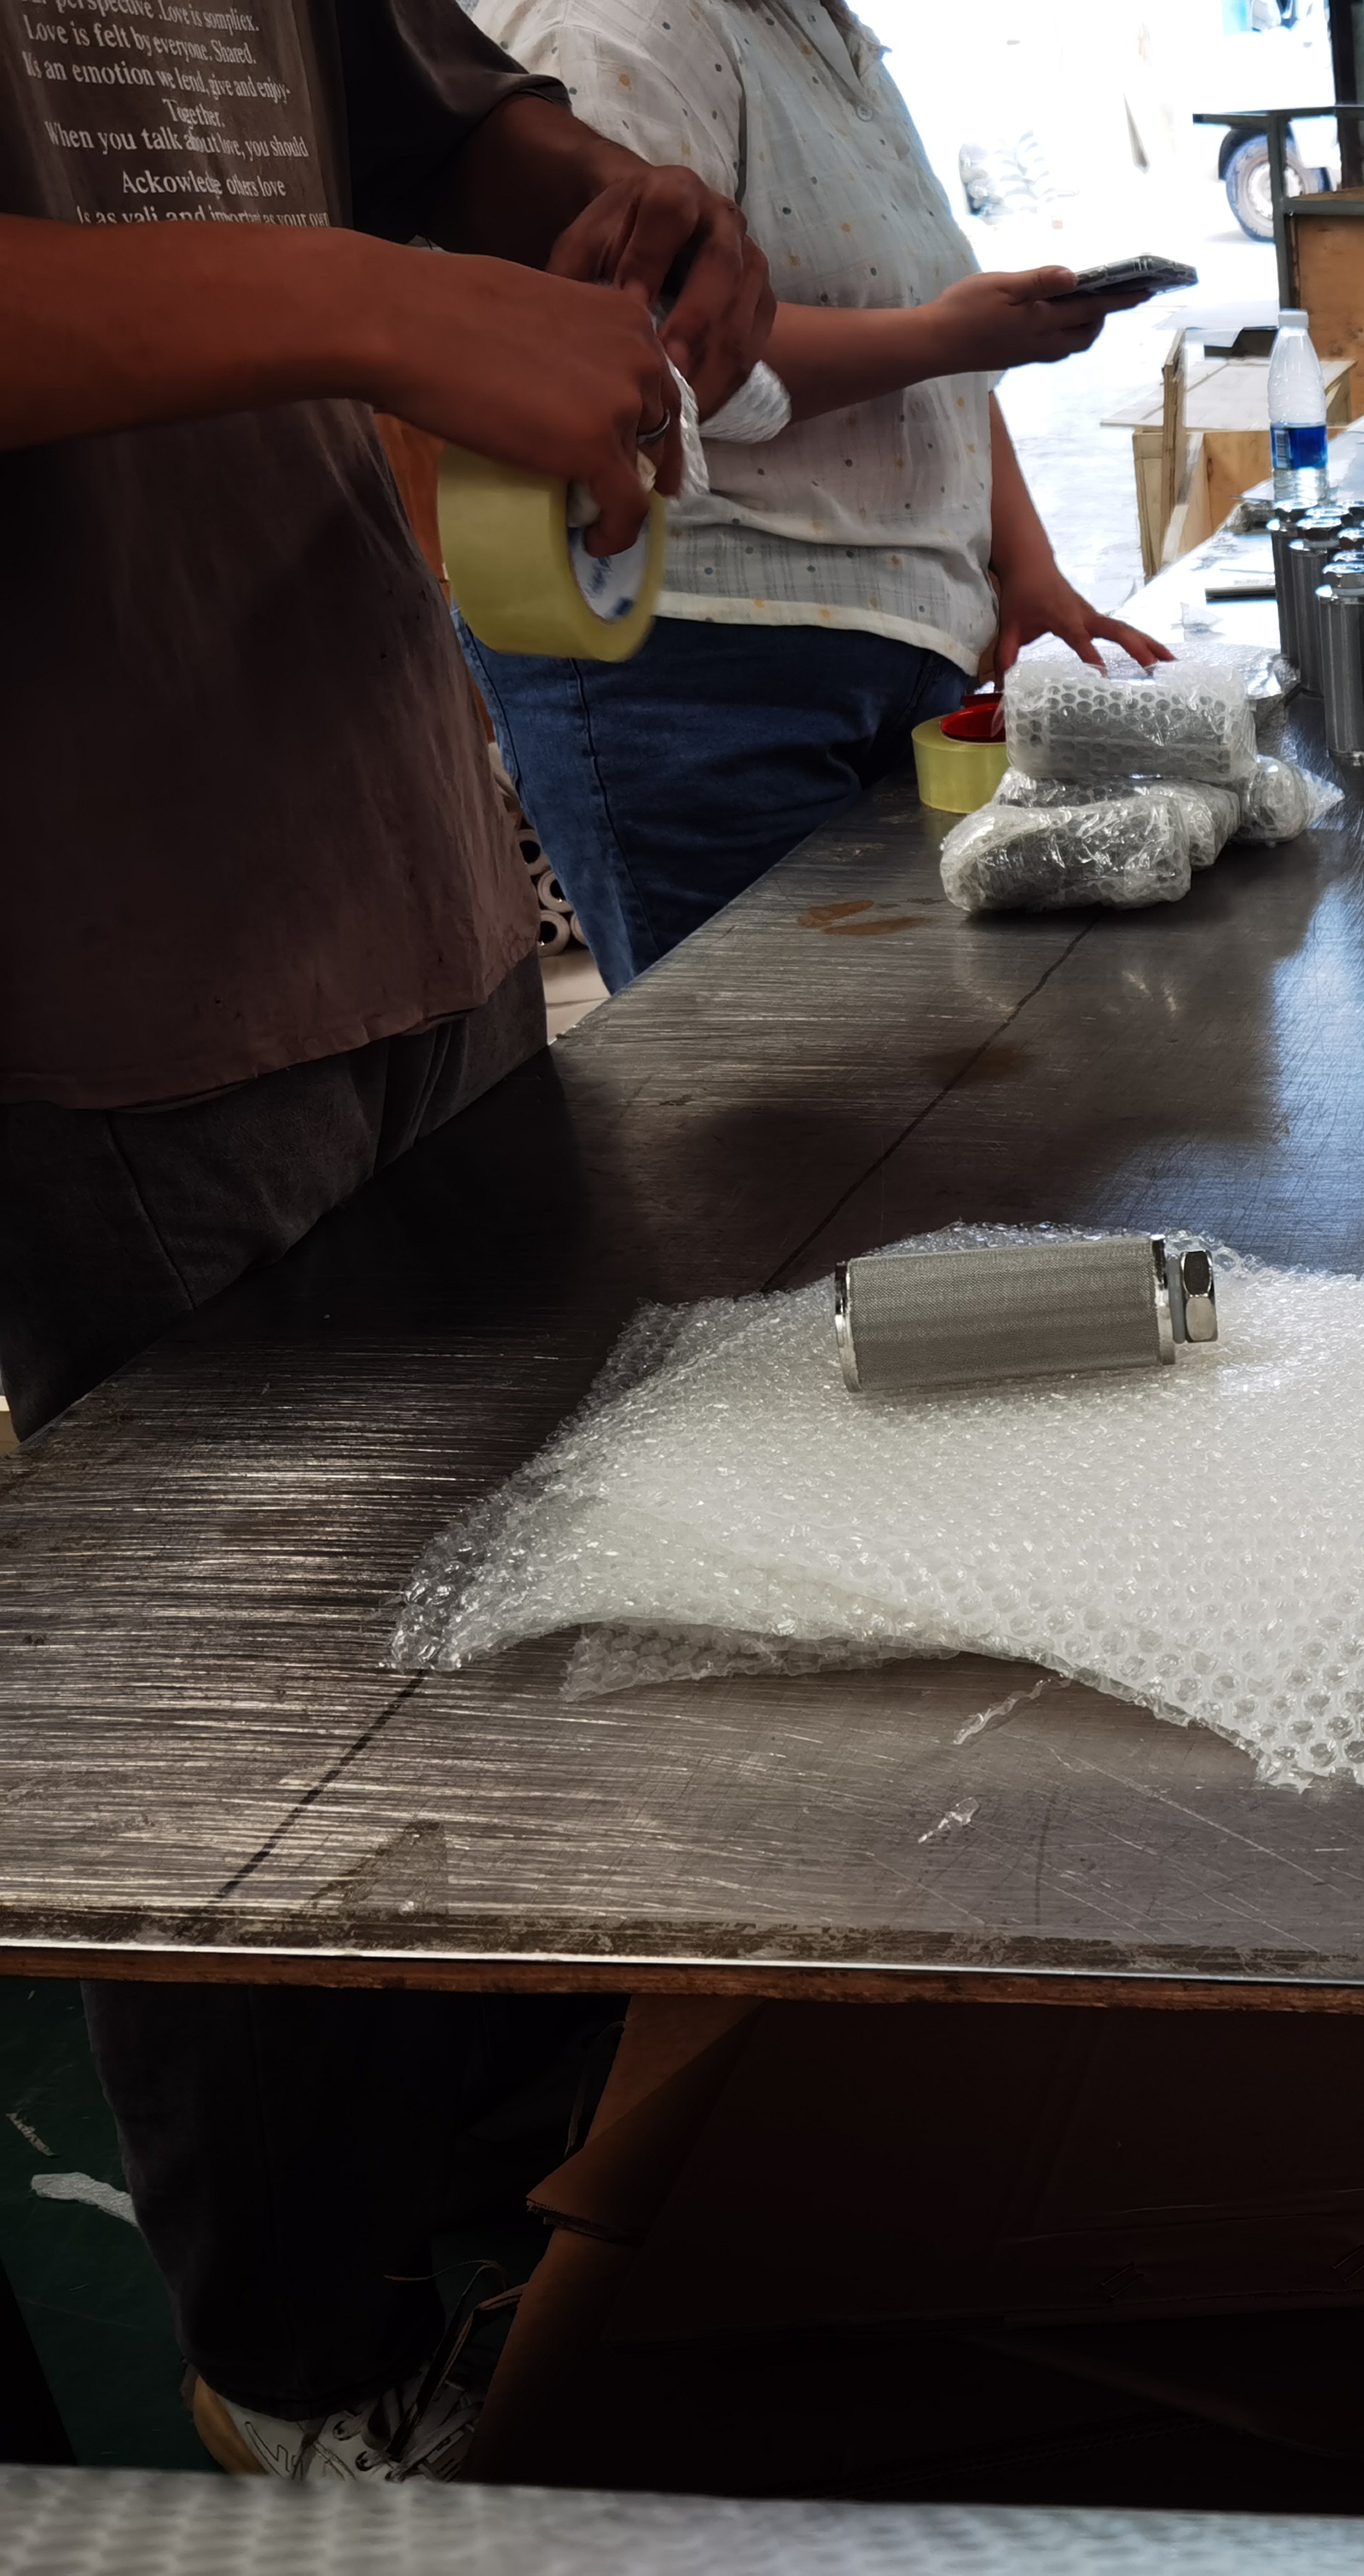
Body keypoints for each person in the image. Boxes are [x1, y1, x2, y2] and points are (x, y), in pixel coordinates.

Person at [3, 0, 774, 2474]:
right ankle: (304, 2361)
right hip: (106, 924)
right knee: (249, 1719)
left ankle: (515, 2213)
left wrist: (598, 213)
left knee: (507, 1589)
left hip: (380, 840)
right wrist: (374, 302)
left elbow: (439, 121)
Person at [463, 0, 1170, 989]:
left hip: (898, 646)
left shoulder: (826, 35)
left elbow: (930, 351)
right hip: (703, 661)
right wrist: (946, 336)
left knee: (931, 1042)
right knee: (770, 1062)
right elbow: (645, 359)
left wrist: (1027, 564)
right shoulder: (613, 26)